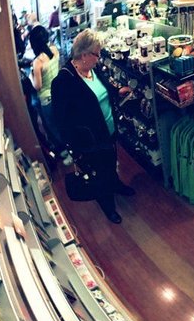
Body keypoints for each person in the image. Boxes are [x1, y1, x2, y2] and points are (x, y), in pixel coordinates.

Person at [51, 29, 135, 224]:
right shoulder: (63, 82)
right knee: (100, 172)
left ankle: (116, 185)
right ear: (84, 55)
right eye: (97, 54)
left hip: (108, 130)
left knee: (111, 161)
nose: (99, 58)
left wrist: (117, 91)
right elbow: (62, 121)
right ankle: (108, 205)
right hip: (90, 140)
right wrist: (75, 149)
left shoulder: (92, 69)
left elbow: (103, 88)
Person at [28, 25, 64, 155]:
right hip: (59, 92)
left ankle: (65, 152)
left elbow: (37, 86)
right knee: (61, 122)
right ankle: (70, 148)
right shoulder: (54, 50)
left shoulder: (37, 62)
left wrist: (30, 76)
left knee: (52, 127)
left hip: (47, 98)